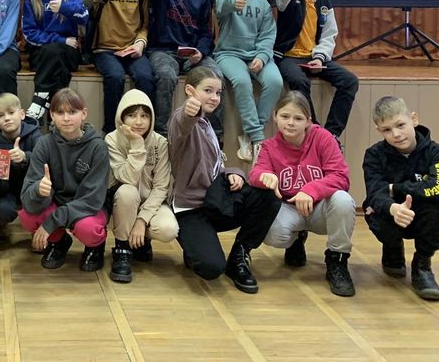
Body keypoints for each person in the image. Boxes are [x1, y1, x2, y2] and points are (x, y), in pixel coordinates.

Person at [169, 66, 281, 294]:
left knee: (267, 197)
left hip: (215, 200)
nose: (214, 97)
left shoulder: (207, 124)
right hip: (191, 209)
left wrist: (233, 173)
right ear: (190, 91)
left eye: (218, 92)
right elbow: (183, 121)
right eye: (207, 91)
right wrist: (189, 111)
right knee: (211, 268)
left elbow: (214, 165)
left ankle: (240, 253)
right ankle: (193, 242)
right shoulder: (183, 120)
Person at [250, 91, 356, 297]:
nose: (290, 123)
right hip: (290, 208)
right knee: (271, 233)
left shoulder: (323, 138)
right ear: (275, 116)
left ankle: (337, 259)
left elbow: (340, 176)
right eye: (285, 116)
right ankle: (296, 239)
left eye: (298, 118)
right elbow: (255, 173)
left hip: (320, 209)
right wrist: (264, 176)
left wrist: (310, 190)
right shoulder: (269, 146)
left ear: (308, 121)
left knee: (343, 200)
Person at [363, 96, 439, 301]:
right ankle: (393, 250)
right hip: (394, 212)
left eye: (400, 125)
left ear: (414, 119)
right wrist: (393, 208)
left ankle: (422, 266)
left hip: (422, 213)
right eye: (387, 130)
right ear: (379, 131)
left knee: (437, 207)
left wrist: (396, 188)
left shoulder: (437, 152)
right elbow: (375, 193)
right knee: (373, 209)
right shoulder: (374, 155)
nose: (396, 134)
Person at [20, 88, 110, 272]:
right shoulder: (44, 144)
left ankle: (95, 247)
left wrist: (51, 223)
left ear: (84, 113)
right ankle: (59, 242)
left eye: (72, 112)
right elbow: (27, 199)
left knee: (88, 229)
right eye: (60, 112)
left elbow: (92, 200)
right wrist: (38, 190)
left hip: (88, 207)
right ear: (52, 115)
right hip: (58, 203)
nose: (66, 118)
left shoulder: (98, 146)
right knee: (27, 217)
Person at [273, 0, 359, 141]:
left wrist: (320, 57)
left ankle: (331, 133)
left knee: (350, 81)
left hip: (315, 56)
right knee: (299, 82)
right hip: (289, 57)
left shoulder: (324, 1)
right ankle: (314, 131)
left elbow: (329, 34)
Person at [143, 0, 220, 139]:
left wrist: (200, 52)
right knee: (166, 76)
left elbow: (206, 32)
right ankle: (161, 135)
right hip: (163, 51)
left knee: (216, 76)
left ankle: (214, 136)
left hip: (194, 53)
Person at [213, 0, 282, 163]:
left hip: (256, 55)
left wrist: (262, 56)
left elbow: (268, 35)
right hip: (228, 54)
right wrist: (235, 2)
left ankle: (250, 135)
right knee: (242, 82)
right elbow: (223, 6)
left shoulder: (262, 3)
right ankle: (258, 139)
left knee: (275, 81)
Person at [105, 89, 178, 283]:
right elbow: (127, 178)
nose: (138, 122)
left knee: (168, 229)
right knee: (128, 191)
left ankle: (141, 239)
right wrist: (137, 145)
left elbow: (161, 187)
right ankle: (122, 247)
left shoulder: (160, 143)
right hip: (121, 204)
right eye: (132, 115)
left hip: (150, 204)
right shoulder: (112, 139)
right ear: (122, 117)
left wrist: (141, 220)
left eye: (144, 116)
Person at [89, 0, 152, 134]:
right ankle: (111, 131)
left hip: (132, 49)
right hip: (105, 50)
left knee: (145, 77)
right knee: (115, 77)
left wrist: (140, 44)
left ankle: (144, 130)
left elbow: (144, 26)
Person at [22, 0, 89, 122]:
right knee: (56, 58)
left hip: (69, 52)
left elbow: (84, 17)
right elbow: (29, 33)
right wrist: (60, 39)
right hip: (42, 53)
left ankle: (39, 100)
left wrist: (64, 7)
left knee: (56, 53)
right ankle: (57, 121)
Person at [0, 93, 42, 241]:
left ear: (22, 114)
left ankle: (37, 227)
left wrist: (25, 157)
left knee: (43, 196)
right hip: (5, 191)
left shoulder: (35, 135)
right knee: (1, 211)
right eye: (1, 115)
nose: (7, 118)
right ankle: (1, 224)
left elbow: (45, 161)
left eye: (11, 112)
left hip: (31, 187)